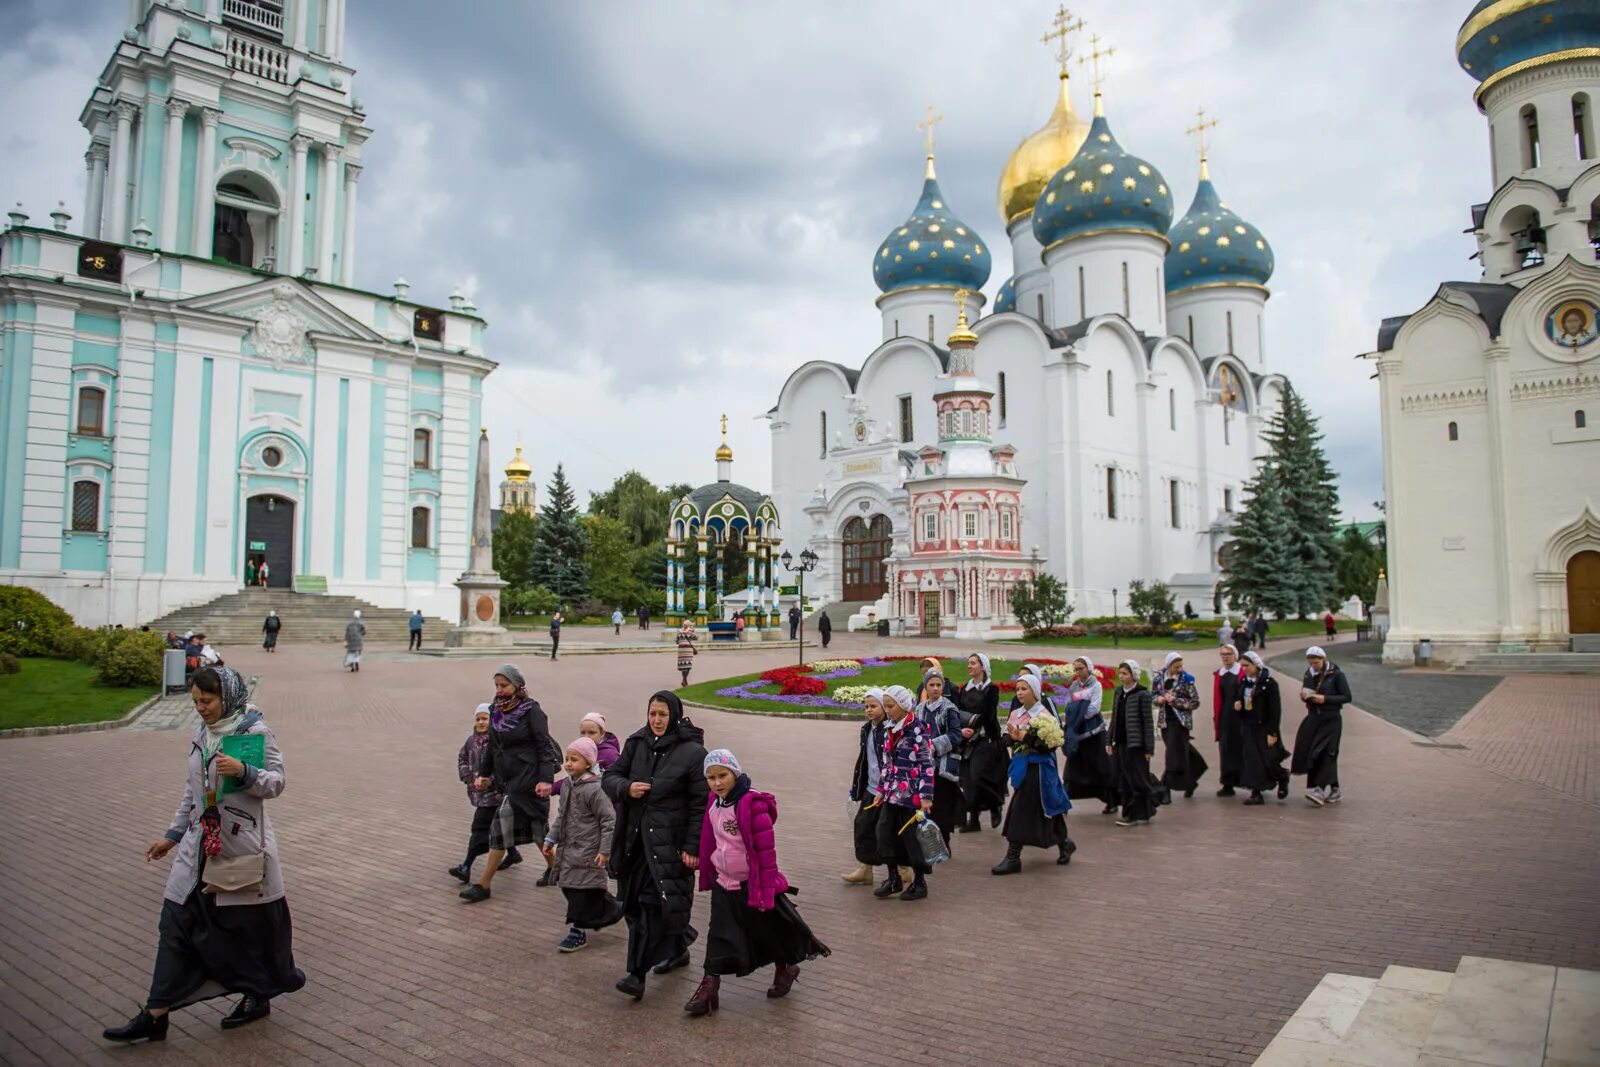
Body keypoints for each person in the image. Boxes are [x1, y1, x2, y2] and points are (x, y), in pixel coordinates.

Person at [102, 667, 303, 1042]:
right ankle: (156, 1013)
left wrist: (244, 772)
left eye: (206, 701)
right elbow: (192, 791)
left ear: (226, 698)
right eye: (195, 701)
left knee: (247, 932)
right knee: (174, 924)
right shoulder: (203, 734)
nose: (200, 709)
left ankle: (257, 996)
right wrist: (172, 835)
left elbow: (276, 783)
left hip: (237, 850)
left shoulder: (255, 732)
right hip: (196, 850)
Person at [684, 749, 830, 1016]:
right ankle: (709, 989)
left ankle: (785, 967)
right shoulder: (714, 803)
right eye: (711, 777)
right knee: (718, 935)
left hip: (752, 885)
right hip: (724, 883)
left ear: (735, 773)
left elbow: (765, 855)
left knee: (769, 931)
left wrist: (763, 893)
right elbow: (710, 839)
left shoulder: (752, 805)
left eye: (722, 776)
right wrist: (708, 870)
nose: (717, 783)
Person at [602, 691, 709, 1001]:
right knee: (632, 905)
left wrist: (692, 846)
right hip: (634, 841)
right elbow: (611, 776)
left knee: (650, 906)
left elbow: (699, 805)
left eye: (663, 714)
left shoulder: (692, 753)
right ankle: (678, 946)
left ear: (673, 715)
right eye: (653, 714)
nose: (657, 720)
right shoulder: (637, 743)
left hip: (667, 844)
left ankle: (636, 974)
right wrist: (626, 788)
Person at [459, 665, 557, 902]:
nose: (500, 690)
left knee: (504, 829)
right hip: (509, 781)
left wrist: (546, 780)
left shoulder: (531, 710)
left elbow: (544, 745)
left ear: (517, 685)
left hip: (529, 779)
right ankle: (555, 868)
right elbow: (493, 746)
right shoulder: (497, 710)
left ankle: (484, 885)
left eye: (504, 685)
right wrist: (484, 773)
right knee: (534, 830)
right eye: (497, 685)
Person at [543, 737, 624, 953]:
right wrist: (551, 838)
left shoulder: (595, 790)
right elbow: (562, 815)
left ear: (588, 763)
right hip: (569, 848)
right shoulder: (568, 785)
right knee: (571, 887)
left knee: (579, 891)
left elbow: (609, 821)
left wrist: (605, 851)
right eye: (567, 759)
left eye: (574, 760)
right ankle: (614, 910)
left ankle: (577, 932)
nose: (568, 763)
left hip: (589, 850)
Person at [992, 673, 1074, 874]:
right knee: (1043, 810)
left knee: (1020, 808)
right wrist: (1011, 738)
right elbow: (1007, 738)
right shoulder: (1016, 713)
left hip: (1038, 770)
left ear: (1035, 691)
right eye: (1017, 689)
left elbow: (1049, 745)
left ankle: (1013, 856)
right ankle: (1064, 842)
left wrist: (1025, 738)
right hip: (1021, 768)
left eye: (1024, 689)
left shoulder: (1044, 715)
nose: (1019, 693)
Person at [540, 711, 622, 887]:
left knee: (605, 857)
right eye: (583, 732)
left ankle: (610, 898)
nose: (587, 736)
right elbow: (571, 780)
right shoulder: (582, 751)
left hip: (605, 811)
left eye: (592, 733)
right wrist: (553, 787)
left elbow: (616, 782)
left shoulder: (609, 755)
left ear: (602, 734)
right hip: (584, 815)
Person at [448, 704, 525, 885]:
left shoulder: (497, 741)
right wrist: (468, 775)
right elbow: (462, 758)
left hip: (493, 795)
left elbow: (503, 766)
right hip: (477, 792)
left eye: (485, 718)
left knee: (480, 829)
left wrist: (489, 779)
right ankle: (513, 854)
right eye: (478, 719)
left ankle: (465, 867)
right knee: (498, 828)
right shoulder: (471, 740)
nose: (481, 722)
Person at [873, 685, 934, 901]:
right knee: (884, 834)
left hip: (911, 797)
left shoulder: (917, 729)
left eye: (891, 706)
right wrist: (881, 789)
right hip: (891, 794)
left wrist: (926, 796)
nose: (887, 710)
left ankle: (919, 882)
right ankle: (893, 878)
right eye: (886, 706)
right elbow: (886, 763)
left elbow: (927, 764)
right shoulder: (889, 729)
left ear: (904, 706)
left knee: (912, 840)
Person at [1292, 646, 1352, 805]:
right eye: (1311, 663)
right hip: (1314, 717)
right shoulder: (1308, 674)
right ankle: (1335, 788)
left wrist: (1325, 699)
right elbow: (1309, 690)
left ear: (1323, 659)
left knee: (1326, 753)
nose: (1314, 666)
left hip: (1331, 718)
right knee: (1312, 752)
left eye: (1316, 662)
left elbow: (1347, 696)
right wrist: (1306, 697)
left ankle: (1319, 789)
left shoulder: (1336, 674)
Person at [915, 670, 967, 850]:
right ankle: (929, 840)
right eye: (932, 685)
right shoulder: (920, 709)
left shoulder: (949, 708)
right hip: (923, 765)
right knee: (925, 803)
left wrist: (934, 745)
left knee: (943, 805)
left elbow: (955, 735)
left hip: (942, 766)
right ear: (925, 687)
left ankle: (945, 841)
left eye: (939, 685)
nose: (935, 688)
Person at [843, 688, 889, 885]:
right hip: (871, 788)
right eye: (866, 707)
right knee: (863, 825)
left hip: (887, 790)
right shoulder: (867, 729)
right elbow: (864, 759)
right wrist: (857, 786)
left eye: (873, 706)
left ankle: (904, 870)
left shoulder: (888, 729)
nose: (869, 710)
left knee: (887, 830)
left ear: (884, 707)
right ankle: (865, 869)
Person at [956, 653, 1006, 832]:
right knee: (968, 780)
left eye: (973, 663)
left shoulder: (991, 689)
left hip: (986, 738)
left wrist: (970, 722)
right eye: (968, 663)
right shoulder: (965, 689)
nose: (969, 666)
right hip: (968, 739)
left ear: (982, 667)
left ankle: (995, 804)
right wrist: (964, 728)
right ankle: (974, 820)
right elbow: (958, 710)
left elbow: (988, 715)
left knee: (978, 777)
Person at [1062, 657, 1116, 814]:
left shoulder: (1096, 685)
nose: (1078, 672)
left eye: (1081, 669)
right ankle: (1063, 803)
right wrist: (1076, 713)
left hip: (1094, 735)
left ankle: (1111, 801)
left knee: (1102, 770)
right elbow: (1069, 707)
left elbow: (1094, 708)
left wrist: (1077, 714)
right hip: (1078, 736)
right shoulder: (1074, 686)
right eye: (1076, 669)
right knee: (1071, 772)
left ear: (1088, 669)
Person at [1236, 651, 1290, 806]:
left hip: (1264, 727)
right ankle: (1256, 792)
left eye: (1247, 665)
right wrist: (1237, 705)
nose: (1244, 669)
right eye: (1242, 666)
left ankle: (1282, 777)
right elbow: (1240, 698)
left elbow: (1275, 710)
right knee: (1252, 760)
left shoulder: (1269, 684)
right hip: (1248, 726)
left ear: (1256, 665)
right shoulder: (1244, 682)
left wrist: (1272, 732)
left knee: (1268, 759)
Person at [1109, 660, 1158, 827]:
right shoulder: (1118, 693)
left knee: (1136, 779)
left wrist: (1149, 748)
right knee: (1125, 779)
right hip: (1121, 743)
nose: (1121, 677)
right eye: (1120, 673)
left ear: (1134, 675)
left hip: (1136, 745)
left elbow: (1148, 722)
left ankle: (1135, 814)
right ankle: (1138, 812)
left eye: (1125, 674)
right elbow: (1114, 718)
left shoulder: (1142, 694)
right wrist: (1109, 739)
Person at [1154, 652, 1208, 802]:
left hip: (1181, 722)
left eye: (1180, 666)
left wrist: (1176, 701)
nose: (1179, 669)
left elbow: (1195, 702)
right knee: (1180, 752)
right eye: (1176, 666)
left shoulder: (1187, 680)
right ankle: (1189, 781)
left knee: (1173, 753)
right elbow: (1153, 695)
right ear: (1168, 665)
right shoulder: (1159, 678)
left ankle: (1165, 788)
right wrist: (1158, 699)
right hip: (1165, 721)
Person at [1213, 644, 1245, 797]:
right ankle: (1227, 783)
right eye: (1223, 654)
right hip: (1225, 716)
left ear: (1235, 655)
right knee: (1225, 750)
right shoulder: (1220, 674)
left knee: (1243, 748)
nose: (1225, 657)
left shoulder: (1242, 672)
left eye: (1228, 654)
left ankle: (1248, 780)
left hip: (1241, 716)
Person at [676, 621, 697, 687]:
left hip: (681, 650)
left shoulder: (679, 631)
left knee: (683, 666)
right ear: (689, 625)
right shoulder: (690, 631)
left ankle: (684, 681)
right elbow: (696, 638)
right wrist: (693, 630)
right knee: (688, 665)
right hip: (688, 650)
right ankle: (684, 679)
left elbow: (676, 641)